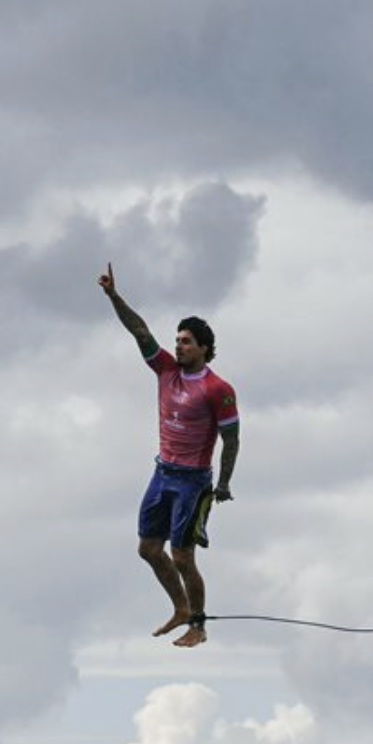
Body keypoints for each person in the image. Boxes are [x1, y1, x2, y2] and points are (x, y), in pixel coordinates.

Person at [99, 262, 239, 648]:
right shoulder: (165, 370)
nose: (178, 346)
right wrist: (113, 296)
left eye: (187, 342)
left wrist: (224, 483)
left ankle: (198, 624)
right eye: (177, 340)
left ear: (205, 349)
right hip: (162, 473)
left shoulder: (218, 389)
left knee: (182, 556)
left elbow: (232, 439)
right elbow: (139, 330)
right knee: (148, 549)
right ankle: (179, 607)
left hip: (193, 481)